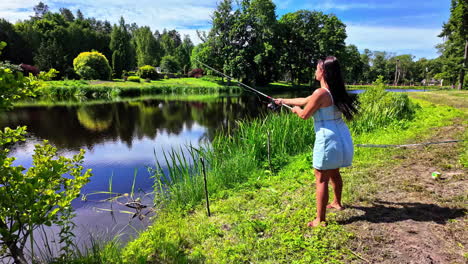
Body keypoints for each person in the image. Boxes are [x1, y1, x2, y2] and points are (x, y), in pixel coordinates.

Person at [275, 56, 357, 227]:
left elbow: (305, 114)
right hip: (342, 136)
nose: (315, 71)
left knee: (321, 178)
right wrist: (283, 101)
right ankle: (337, 203)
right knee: (334, 172)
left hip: (328, 139)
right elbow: (306, 100)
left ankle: (320, 220)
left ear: (323, 72)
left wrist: (296, 110)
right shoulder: (334, 91)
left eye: (317, 68)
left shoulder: (321, 93)